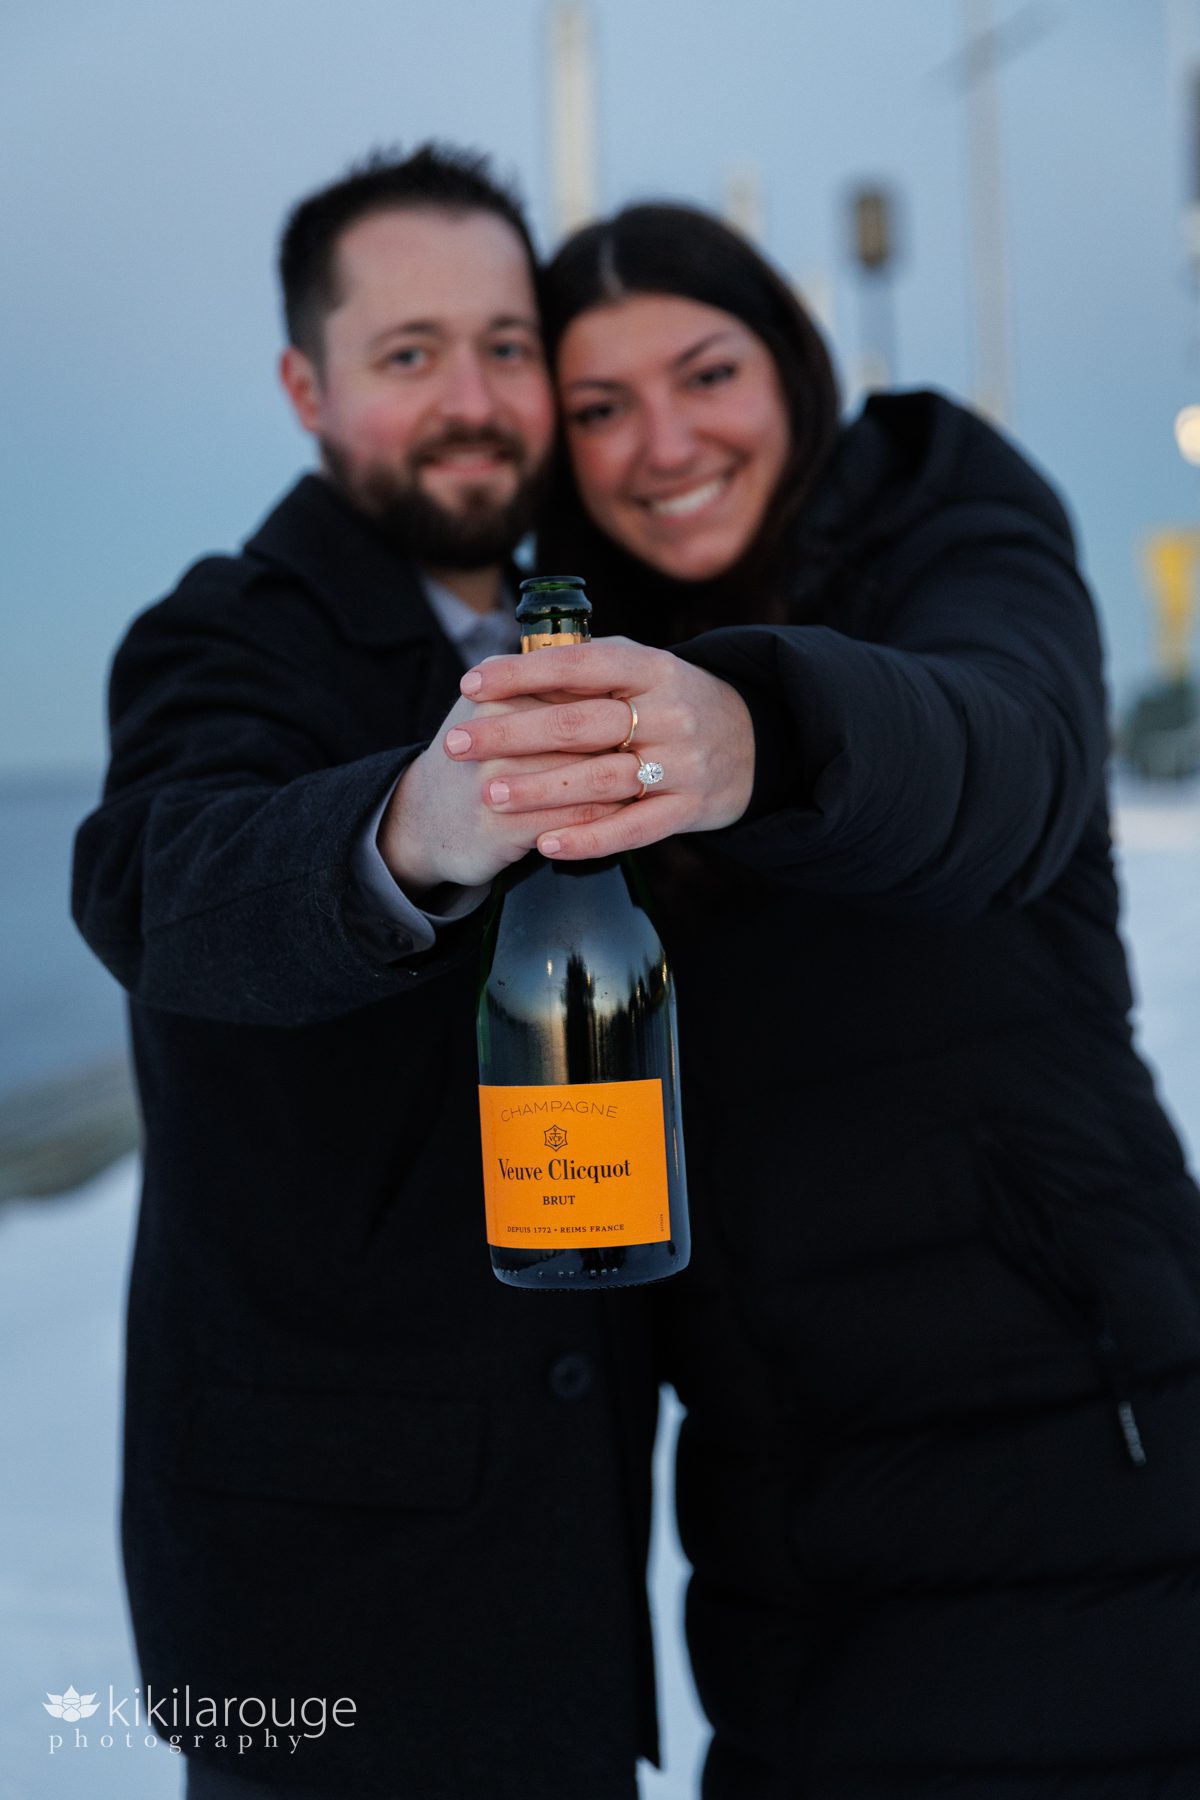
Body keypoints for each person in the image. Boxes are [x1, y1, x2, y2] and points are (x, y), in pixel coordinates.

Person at [441, 202, 1200, 1797]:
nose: (662, 443)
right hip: (792, 1520)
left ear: (788, 359)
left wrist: (760, 732)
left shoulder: (947, 511)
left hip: (1098, 1457)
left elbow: (1012, 754)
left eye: (705, 372)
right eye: (598, 409)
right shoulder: (565, 666)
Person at [70, 147, 661, 1800]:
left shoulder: (597, 628)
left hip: (570, 1588)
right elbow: (159, 884)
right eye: (408, 357)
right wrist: (420, 824)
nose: (470, 399)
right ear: (306, 388)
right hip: (314, 1628)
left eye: (504, 346)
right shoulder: (224, 635)